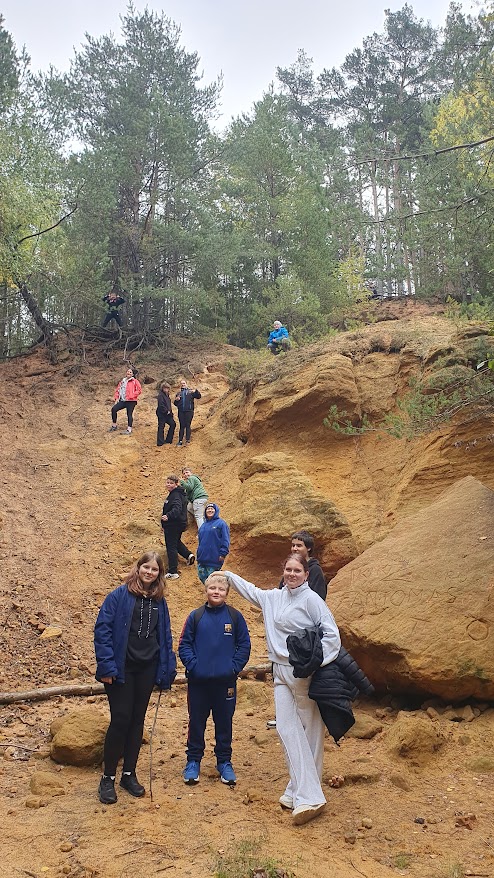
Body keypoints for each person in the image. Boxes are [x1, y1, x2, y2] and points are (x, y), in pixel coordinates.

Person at [224, 554, 340, 825]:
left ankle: (308, 795)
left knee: (310, 730)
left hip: (302, 673)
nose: (291, 574)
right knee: (286, 728)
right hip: (279, 671)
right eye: (288, 569)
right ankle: (299, 788)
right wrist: (227, 576)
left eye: (297, 570)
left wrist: (315, 662)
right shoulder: (274, 598)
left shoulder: (312, 600)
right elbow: (251, 591)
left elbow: (332, 635)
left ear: (306, 574)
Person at [94, 551, 176, 805]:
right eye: (146, 567)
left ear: (159, 574)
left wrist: (166, 669)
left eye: (154, 569)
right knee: (121, 719)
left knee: (137, 720)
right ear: (138, 568)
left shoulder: (159, 601)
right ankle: (108, 777)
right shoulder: (119, 595)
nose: (149, 572)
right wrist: (107, 666)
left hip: (147, 668)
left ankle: (128, 774)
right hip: (121, 667)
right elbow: (102, 630)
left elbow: (165, 636)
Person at [178, 572, 251, 786]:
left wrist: (233, 668)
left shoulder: (235, 617)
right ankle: (193, 761)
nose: (216, 592)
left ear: (227, 592)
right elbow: (184, 644)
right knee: (196, 721)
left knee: (224, 722)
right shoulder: (196, 616)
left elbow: (244, 645)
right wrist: (194, 666)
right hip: (198, 683)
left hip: (225, 683)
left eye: (220, 589)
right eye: (212, 588)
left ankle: (224, 761)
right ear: (206, 590)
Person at [161, 474, 195, 579]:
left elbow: (177, 508)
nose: (168, 485)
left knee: (171, 546)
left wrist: (168, 516)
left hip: (173, 524)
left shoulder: (175, 495)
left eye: (171, 483)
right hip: (178, 524)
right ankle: (188, 555)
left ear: (176, 484)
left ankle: (173, 571)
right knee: (176, 542)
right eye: (167, 482)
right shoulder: (178, 493)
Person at [279, 531, 327, 600]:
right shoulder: (290, 566)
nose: (294, 549)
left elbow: (319, 597)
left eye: (299, 546)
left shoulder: (315, 570)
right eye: (293, 545)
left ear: (308, 548)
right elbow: (281, 591)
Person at [196, 503, 230, 584]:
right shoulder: (203, 526)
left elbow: (225, 539)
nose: (210, 510)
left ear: (216, 511)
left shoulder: (221, 524)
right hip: (202, 559)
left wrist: (223, 553)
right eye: (208, 509)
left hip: (214, 559)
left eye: (212, 509)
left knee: (213, 582)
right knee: (204, 580)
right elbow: (200, 541)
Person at [109, 367, 142, 434]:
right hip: (123, 400)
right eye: (128, 371)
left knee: (129, 414)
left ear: (132, 374)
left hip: (131, 401)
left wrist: (132, 395)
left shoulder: (135, 381)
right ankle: (114, 425)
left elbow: (139, 390)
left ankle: (129, 429)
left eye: (130, 372)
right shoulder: (122, 381)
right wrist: (116, 398)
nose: (128, 373)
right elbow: (118, 390)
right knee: (114, 409)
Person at [173, 380, 201, 446]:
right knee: (182, 426)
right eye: (181, 383)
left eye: (184, 383)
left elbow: (198, 396)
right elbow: (175, 403)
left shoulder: (190, 391)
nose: (183, 384)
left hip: (189, 411)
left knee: (188, 425)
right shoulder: (179, 393)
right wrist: (176, 400)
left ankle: (187, 440)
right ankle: (180, 441)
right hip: (181, 412)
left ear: (186, 384)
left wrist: (196, 391)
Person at [156, 381, 176, 447]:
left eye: (167, 388)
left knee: (173, 424)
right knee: (161, 427)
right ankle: (160, 442)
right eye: (164, 388)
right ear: (162, 388)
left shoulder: (167, 395)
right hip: (162, 414)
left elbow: (169, 405)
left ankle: (168, 440)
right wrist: (166, 411)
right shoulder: (160, 395)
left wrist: (170, 413)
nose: (166, 389)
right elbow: (161, 405)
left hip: (168, 414)